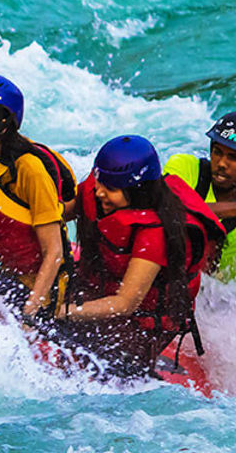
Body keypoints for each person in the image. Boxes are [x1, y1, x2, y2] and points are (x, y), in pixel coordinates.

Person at [54, 135, 225, 379]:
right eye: (99, 182)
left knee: (109, 369)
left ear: (137, 190)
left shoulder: (156, 233)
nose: (98, 192)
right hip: (98, 284)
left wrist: (62, 312)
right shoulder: (100, 186)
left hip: (139, 321)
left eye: (110, 189)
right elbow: (58, 215)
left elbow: (124, 304)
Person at [0, 74, 76, 320]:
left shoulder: (28, 169)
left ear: (3, 125)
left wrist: (30, 313)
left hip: (36, 292)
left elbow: (53, 251)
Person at [162, 111, 236, 280]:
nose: (222, 163)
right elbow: (166, 208)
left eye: (233, 157)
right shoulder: (184, 168)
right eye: (217, 152)